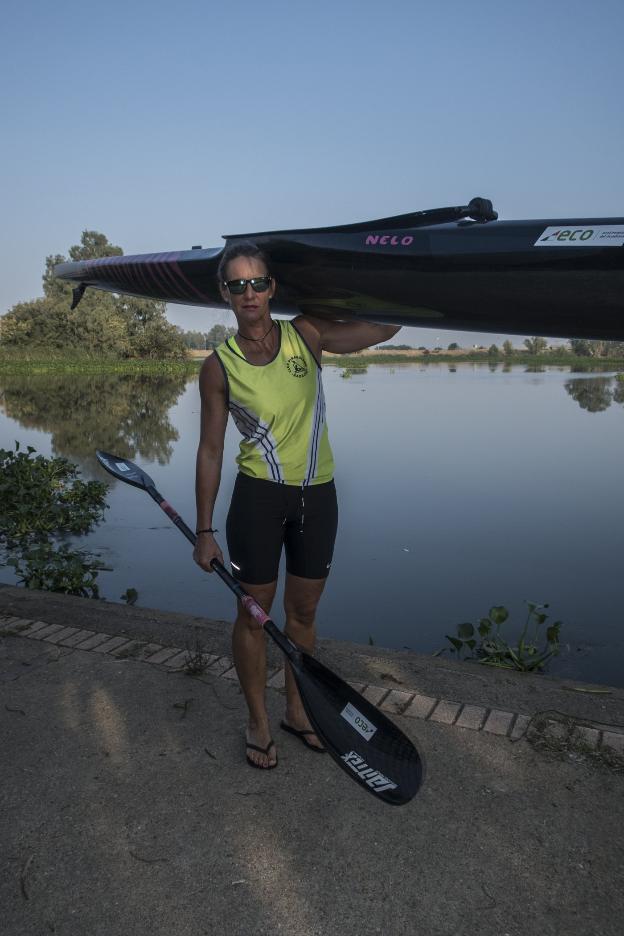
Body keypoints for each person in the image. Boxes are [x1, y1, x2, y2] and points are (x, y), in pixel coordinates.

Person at [193, 242, 401, 768]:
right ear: (225, 294)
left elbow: (381, 330)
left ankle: (298, 711)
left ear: (272, 288)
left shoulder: (305, 335)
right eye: (237, 285)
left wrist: (411, 288)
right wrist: (203, 529)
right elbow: (211, 449)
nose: (249, 294)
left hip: (317, 496)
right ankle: (258, 720)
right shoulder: (219, 366)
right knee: (255, 616)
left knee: (303, 611)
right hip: (258, 499)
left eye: (257, 283)